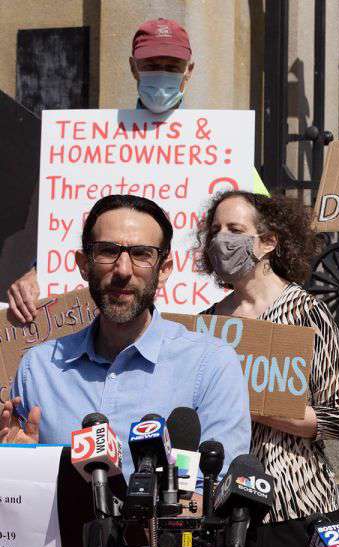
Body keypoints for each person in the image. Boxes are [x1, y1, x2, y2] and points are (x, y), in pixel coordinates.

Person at [0, 193, 251, 547]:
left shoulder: (210, 365)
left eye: (140, 254)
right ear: (82, 264)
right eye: (108, 251)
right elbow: (19, 512)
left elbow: (217, 496)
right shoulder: (38, 368)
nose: (122, 270)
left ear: (165, 267)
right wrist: (17, 465)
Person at [5, 17, 267, 322]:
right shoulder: (90, 144)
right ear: (133, 67)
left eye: (171, 66)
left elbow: (263, 233)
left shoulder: (225, 148)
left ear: (189, 70)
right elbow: (67, 225)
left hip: (193, 319)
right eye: (151, 65)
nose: (162, 74)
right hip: (110, 320)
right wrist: (39, 274)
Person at [194, 191, 339, 547]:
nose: (221, 241)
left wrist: (257, 406)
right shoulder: (208, 323)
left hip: (295, 514)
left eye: (235, 231)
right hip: (225, 518)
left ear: (267, 242)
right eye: (215, 231)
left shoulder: (307, 313)